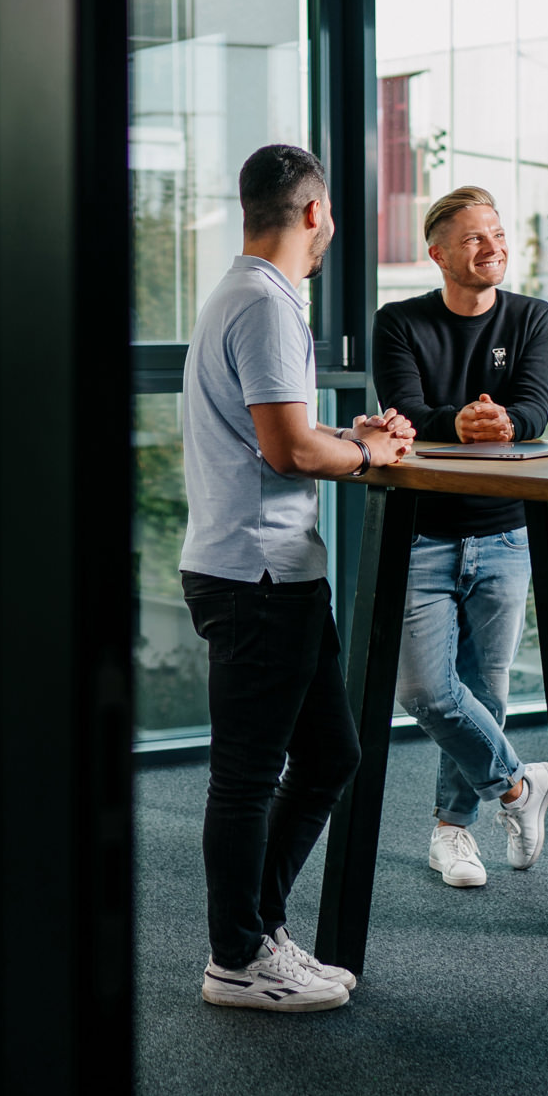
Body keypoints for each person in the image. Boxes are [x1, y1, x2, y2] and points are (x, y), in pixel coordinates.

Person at [180, 143, 412, 1013]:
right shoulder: (266, 305)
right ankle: (236, 955)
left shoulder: (242, 296)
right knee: (246, 776)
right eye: (329, 218)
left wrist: (345, 436)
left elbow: (279, 434)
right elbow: (286, 448)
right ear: (312, 212)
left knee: (329, 754)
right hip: (259, 575)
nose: (330, 233)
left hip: (267, 568)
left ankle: (258, 931)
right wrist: (366, 450)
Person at [370, 186, 548, 890]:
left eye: (498, 233)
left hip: (506, 530)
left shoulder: (532, 316)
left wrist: (506, 423)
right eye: (475, 238)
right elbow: (406, 413)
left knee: (486, 686)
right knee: (425, 688)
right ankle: (517, 785)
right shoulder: (399, 322)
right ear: (439, 253)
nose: (493, 247)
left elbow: (535, 407)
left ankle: (454, 832)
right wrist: (467, 422)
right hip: (423, 532)